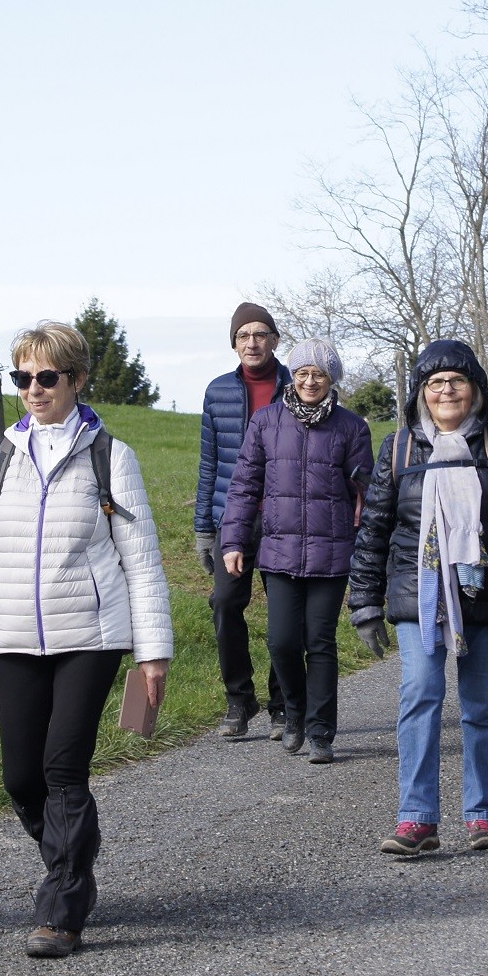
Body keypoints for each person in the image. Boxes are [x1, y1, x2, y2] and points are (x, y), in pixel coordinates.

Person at [0, 320, 172, 959]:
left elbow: (143, 560)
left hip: (91, 637)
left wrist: (153, 652)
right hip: (14, 636)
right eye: (22, 378)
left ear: (75, 380)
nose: (33, 389)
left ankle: (63, 908)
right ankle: (73, 860)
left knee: (62, 768)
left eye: (47, 377)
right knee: (21, 777)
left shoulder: (110, 456)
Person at [349, 339, 488, 856]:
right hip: (419, 599)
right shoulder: (398, 449)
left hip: (486, 598)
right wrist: (365, 603)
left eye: (457, 381)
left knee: (482, 706)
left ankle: (483, 814)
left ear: (476, 392)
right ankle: (417, 819)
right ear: (421, 393)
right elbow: (374, 530)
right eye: (435, 382)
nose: (446, 389)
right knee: (420, 697)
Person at [220, 337, 372, 764]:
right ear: (294, 375)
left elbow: (366, 495)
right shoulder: (266, 423)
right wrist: (232, 541)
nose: (309, 381)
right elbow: (244, 486)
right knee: (283, 641)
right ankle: (293, 712)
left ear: (330, 380)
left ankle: (321, 731)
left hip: (332, 551)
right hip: (279, 551)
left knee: (319, 641)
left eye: (318, 375)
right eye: (303, 373)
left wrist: (366, 551)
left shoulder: (351, 428)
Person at [196, 302, 291, 741]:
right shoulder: (217, 392)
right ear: (234, 343)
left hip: (286, 521)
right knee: (225, 604)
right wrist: (203, 528)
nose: (251, 343)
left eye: (260, 334)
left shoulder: (299, 386)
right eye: (243, 336)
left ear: (274, 339)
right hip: (230, 521)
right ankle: (240, 698)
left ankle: (281, 703)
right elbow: (209, 465)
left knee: (285, 614)